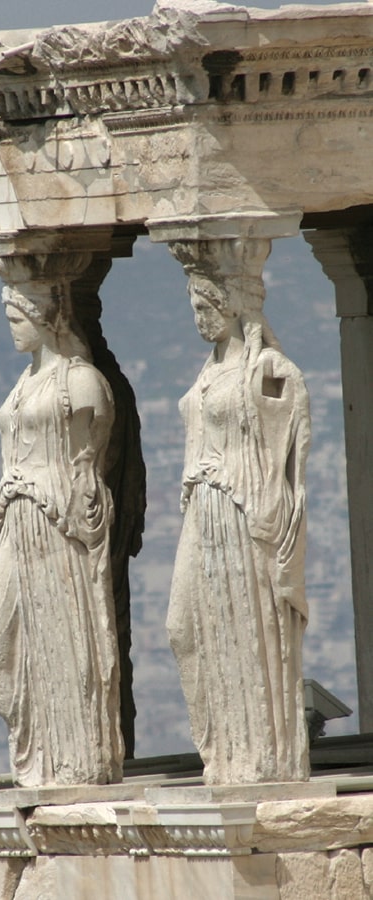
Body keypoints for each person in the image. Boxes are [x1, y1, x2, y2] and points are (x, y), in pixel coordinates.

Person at [168, 261, 310, 784]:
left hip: (241, 512)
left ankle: (257, 758)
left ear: (233, 305)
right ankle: (222, 748)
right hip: (201, 510)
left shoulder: (265, 369)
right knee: (183, 629)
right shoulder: (208, 371)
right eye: (194, 307)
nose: (199, 317)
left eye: (206, 306)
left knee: (248, 629)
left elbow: (289, 436)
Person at [0, 286, 123, 786]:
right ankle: (36, 750)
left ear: (46, 318)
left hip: (57, 525)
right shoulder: (23, 382)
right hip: (17, 523)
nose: (11, 326)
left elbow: (94, 465)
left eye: (18, 316)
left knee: (68, 641)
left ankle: (74, 760)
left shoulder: (80, 383)